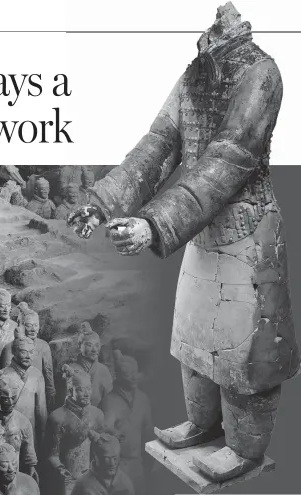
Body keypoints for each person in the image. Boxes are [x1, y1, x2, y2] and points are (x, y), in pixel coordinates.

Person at [66, 3, 299, 482]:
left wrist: (154, 224)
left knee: (243, 349)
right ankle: (203, 423)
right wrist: (105, 203)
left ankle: (245, 448)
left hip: (245, 231)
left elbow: (231, 155)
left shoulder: (261, 72)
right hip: (197, 226)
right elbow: (161, 139)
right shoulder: (197, 69)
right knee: (194, 336)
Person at [45, 366, 105, 495]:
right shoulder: (57, 418)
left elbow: (100, 449)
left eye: (88, 389)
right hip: (67, 478)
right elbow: (51, 454)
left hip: (92, 476)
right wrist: (60, 470)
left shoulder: (97, 415)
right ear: (70, 390)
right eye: (80, 390)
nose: (86, 394)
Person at [99, 351, 152, 495]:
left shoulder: (143, 398)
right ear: (118, 376)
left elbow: (148, 432)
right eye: (129, 374)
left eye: (135, 372)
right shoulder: (109, 401)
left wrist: (150, 461)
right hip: (118, 467)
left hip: (138, 464)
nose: (134, 377)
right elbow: (104, 429)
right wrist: (113, 433)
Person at [0, 302, 55, 411]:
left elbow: (48, 372)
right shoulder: (9, 348)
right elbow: (5, 377)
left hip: (38, 390)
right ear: (20, 325)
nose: (33, 329)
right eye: (29, 325)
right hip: (14, 396)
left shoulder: (43, 346)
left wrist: (51, 390)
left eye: (36, 325)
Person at [1, 337, 47, 450]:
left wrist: (43, 435)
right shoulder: (2, 376)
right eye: (23, 352)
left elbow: (41, 410)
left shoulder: (37, 375)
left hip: (30, 434)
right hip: (8, 434)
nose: (28, 356)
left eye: (31, 352)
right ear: (14, 352)